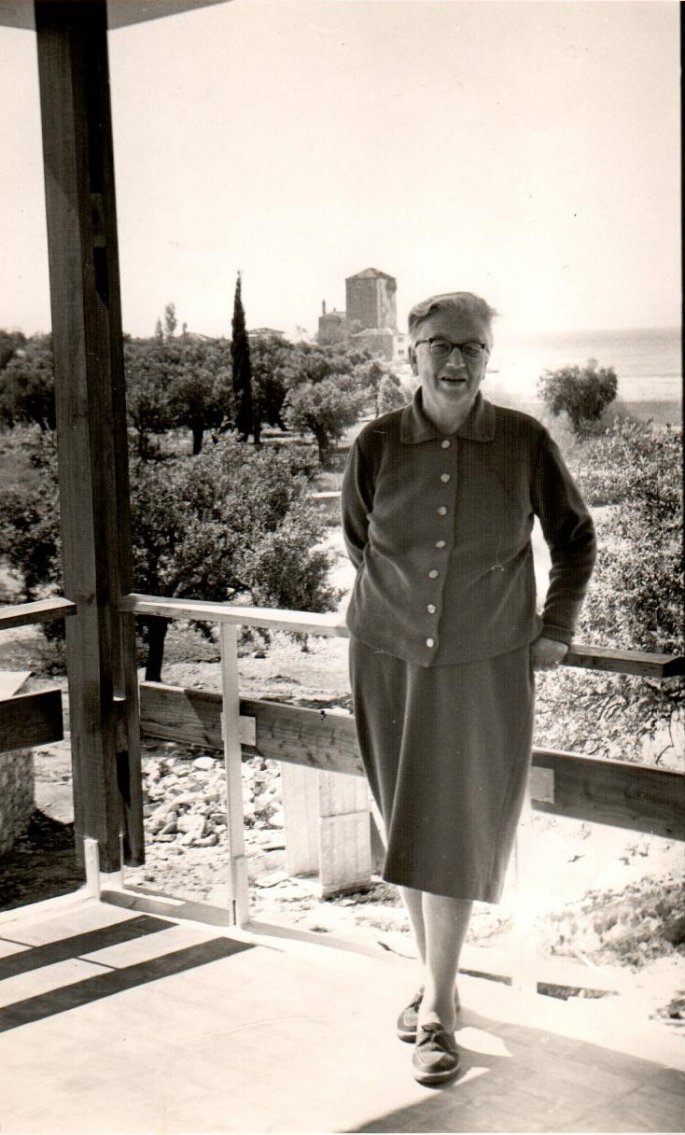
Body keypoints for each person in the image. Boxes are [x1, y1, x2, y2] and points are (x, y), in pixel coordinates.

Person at [341, 292, 596, 1085]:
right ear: (409, 352)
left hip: (483, 665)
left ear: (488, 357)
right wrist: (404, 614)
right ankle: (436, 987)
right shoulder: (375, 444)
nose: (455, 360)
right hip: (385, 659)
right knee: (405, 823)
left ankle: (435, 1012)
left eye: (472, 347)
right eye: (439, 344)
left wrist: (555, 627)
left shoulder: (522, 441)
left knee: (452, 830)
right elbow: (360, 541)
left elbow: (575, 538)